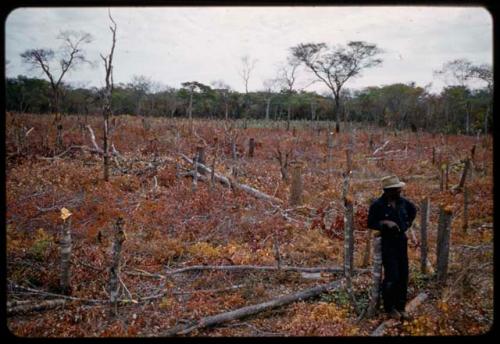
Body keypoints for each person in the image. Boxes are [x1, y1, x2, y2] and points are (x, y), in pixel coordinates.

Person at [367, 175, 417, 320]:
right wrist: (385, 223)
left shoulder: (403, 203)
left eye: (399, 188)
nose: (400, 190)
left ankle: (401, 307)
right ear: (388, 190)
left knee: (403, 274)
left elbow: (413, 211)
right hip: (388, 244)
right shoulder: (377, 205)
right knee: (392, 276)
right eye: (396, 189)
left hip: (401, 241)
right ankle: (389, 308)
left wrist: (405, 225)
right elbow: (371, 223)